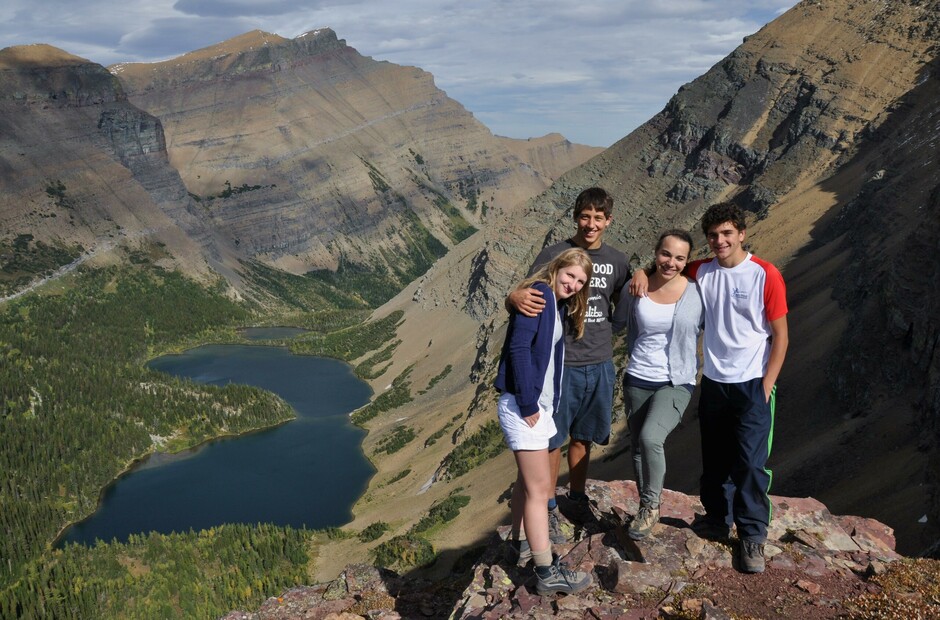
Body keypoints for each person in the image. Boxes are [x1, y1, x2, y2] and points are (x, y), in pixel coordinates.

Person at [630, 202, 789, 574]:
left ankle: (752, 536)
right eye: (714, 235)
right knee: (714, 459)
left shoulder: (765, 274)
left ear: (742, 233)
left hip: (753, 384)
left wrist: (767, 386)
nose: (720, 240)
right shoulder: (702, 270)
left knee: (750, 463)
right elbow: (666, 269)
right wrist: (640, 269)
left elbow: (781, 336)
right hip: (715, 382)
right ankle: (716, 518)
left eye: (727, 233)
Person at [507, 187, 631, 541]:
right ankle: (546, 504)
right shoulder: (554, 253)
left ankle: (575, 498)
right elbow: (526, 292)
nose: (591, 224)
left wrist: (640, 277)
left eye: (598, 217)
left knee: (584, 436)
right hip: (562, 364)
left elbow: (622, 298)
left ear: (609, 220)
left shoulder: (618, 260)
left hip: (600, 362)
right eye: (585, 216)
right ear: (576, 216)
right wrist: (512, 296)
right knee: (551, 439)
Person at [494, 247, 595, 595]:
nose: (573, 284)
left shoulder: (555, 302)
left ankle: (520, 544)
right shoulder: (538, 296)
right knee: (540, 491)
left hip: (537, 406)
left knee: (526, 484)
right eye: (569, 275)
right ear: (556, 269)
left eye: (580, 281)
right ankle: (546, 571)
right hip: (527, 407)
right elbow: (520, 349)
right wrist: (527, 403)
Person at [611, 229, 703, 540]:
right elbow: (615, 323)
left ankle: (651, 507)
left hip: (676, 381)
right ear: (655, 252)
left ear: (687, 261)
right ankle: (643, 507)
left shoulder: (698, 291)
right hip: (638, 377)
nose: (671, 262)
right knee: (637, 447)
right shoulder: (636, 288)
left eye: (680, 258)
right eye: (666, 254)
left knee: (651, 438)